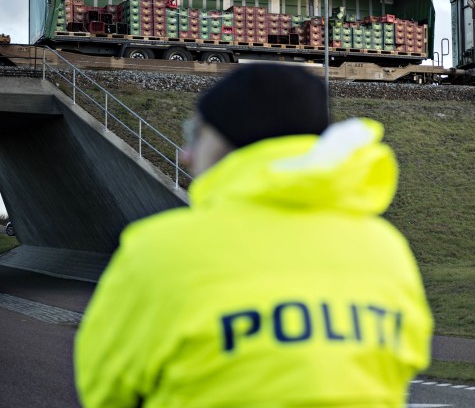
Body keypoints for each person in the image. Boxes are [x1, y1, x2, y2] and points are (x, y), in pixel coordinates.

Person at [75, 63, 433, 408]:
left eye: (195, 135)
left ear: (230, 139)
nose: (185, 155)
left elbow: (105, 389)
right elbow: (405, 364)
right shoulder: (387, 249)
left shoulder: (156, 250)